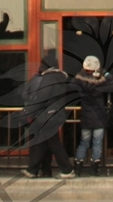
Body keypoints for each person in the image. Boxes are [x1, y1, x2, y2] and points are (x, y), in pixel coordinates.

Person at [21, 50, 74, 178]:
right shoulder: (61, 78)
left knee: (53, 144)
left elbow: (41, 98)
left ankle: (67, 170)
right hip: (55, 115)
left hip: (46, 116)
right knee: (41, 142)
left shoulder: (48, 79)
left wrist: (30, 112)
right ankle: (32, 170)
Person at [71, 54, 113, 175]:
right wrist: (104, 73)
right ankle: (95, 167)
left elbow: (71, 84)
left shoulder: (80, 80)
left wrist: (81, 74)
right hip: (99, 116)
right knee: (97, 142)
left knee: (84, 142)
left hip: (86, 115)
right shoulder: (100, 81)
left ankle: (78, 164)